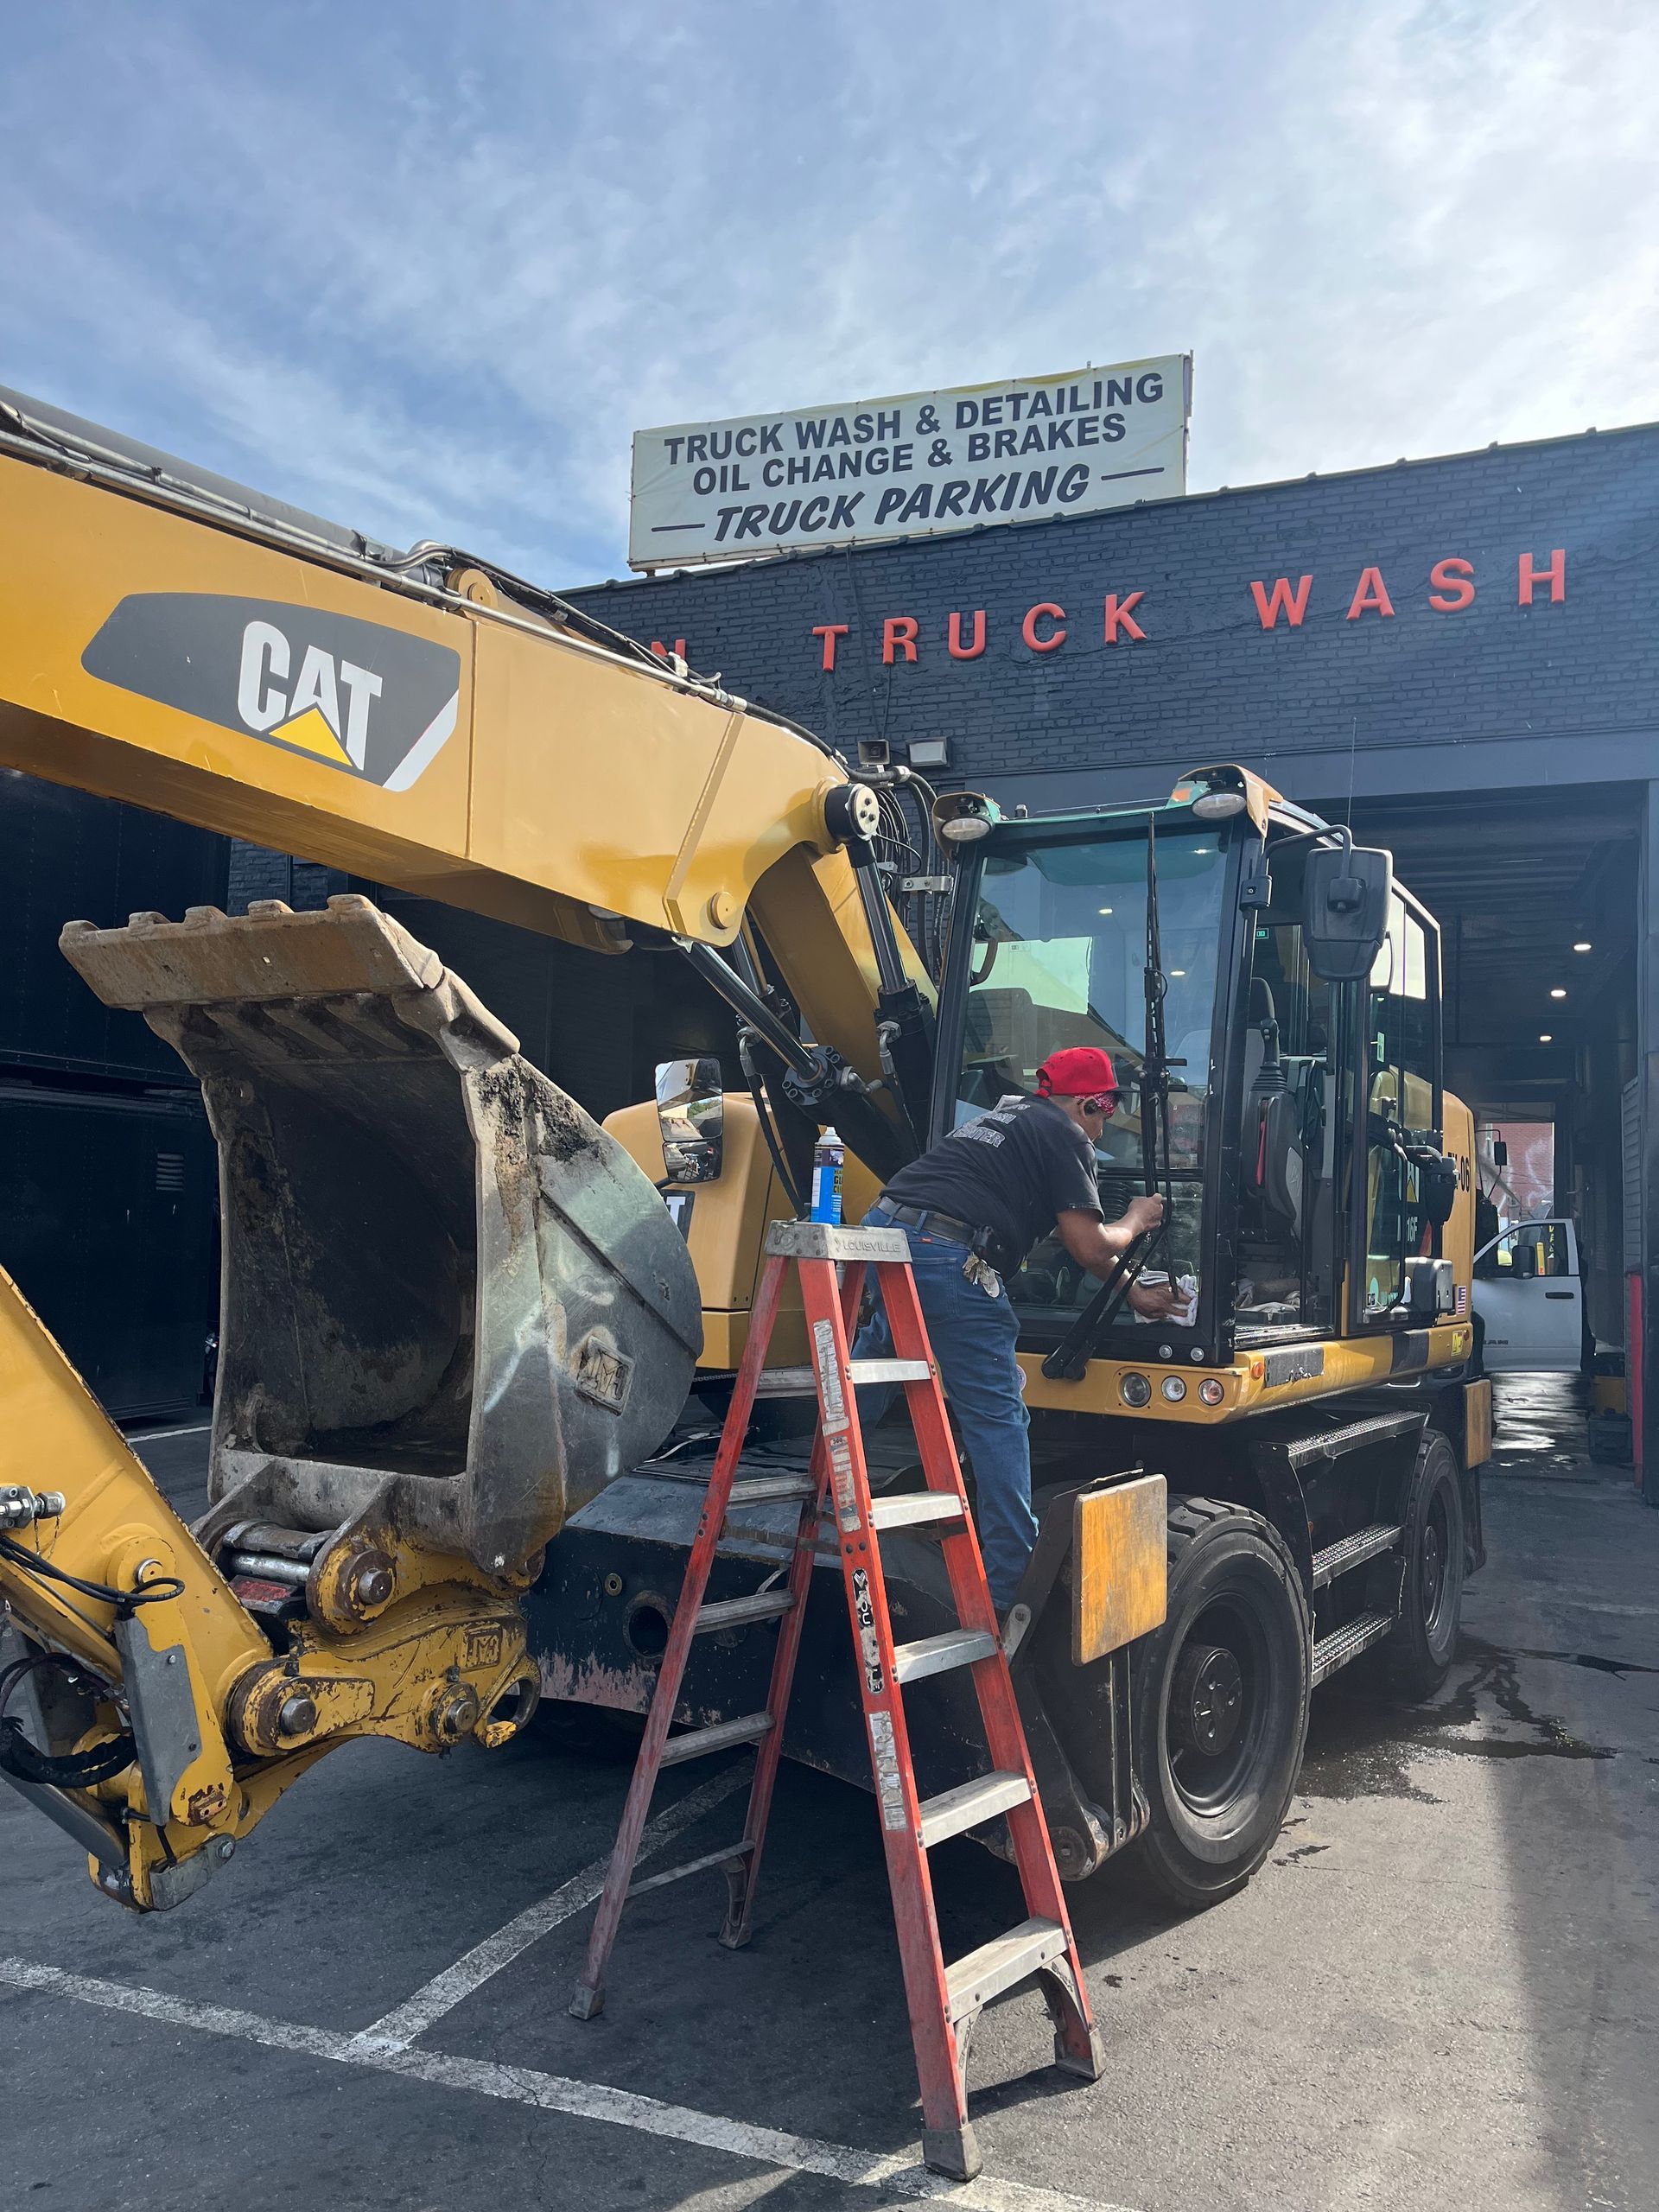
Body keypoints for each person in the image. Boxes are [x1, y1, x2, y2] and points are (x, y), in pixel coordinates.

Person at [853, 1045, 1179, 1614]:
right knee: (997, 1414)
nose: (1104, 1130)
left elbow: (1083, 1247)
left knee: (879, 1355)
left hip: (882, 1232)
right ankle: (1009, 1582)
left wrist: (1135, 1293)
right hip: (946, 1256)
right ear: (1088, 1103)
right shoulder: (1066, 1134)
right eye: (1105, 1112)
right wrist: (1137, 1219)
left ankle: (832, 1483)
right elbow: (1090, 1241)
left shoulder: (1005, 1116)